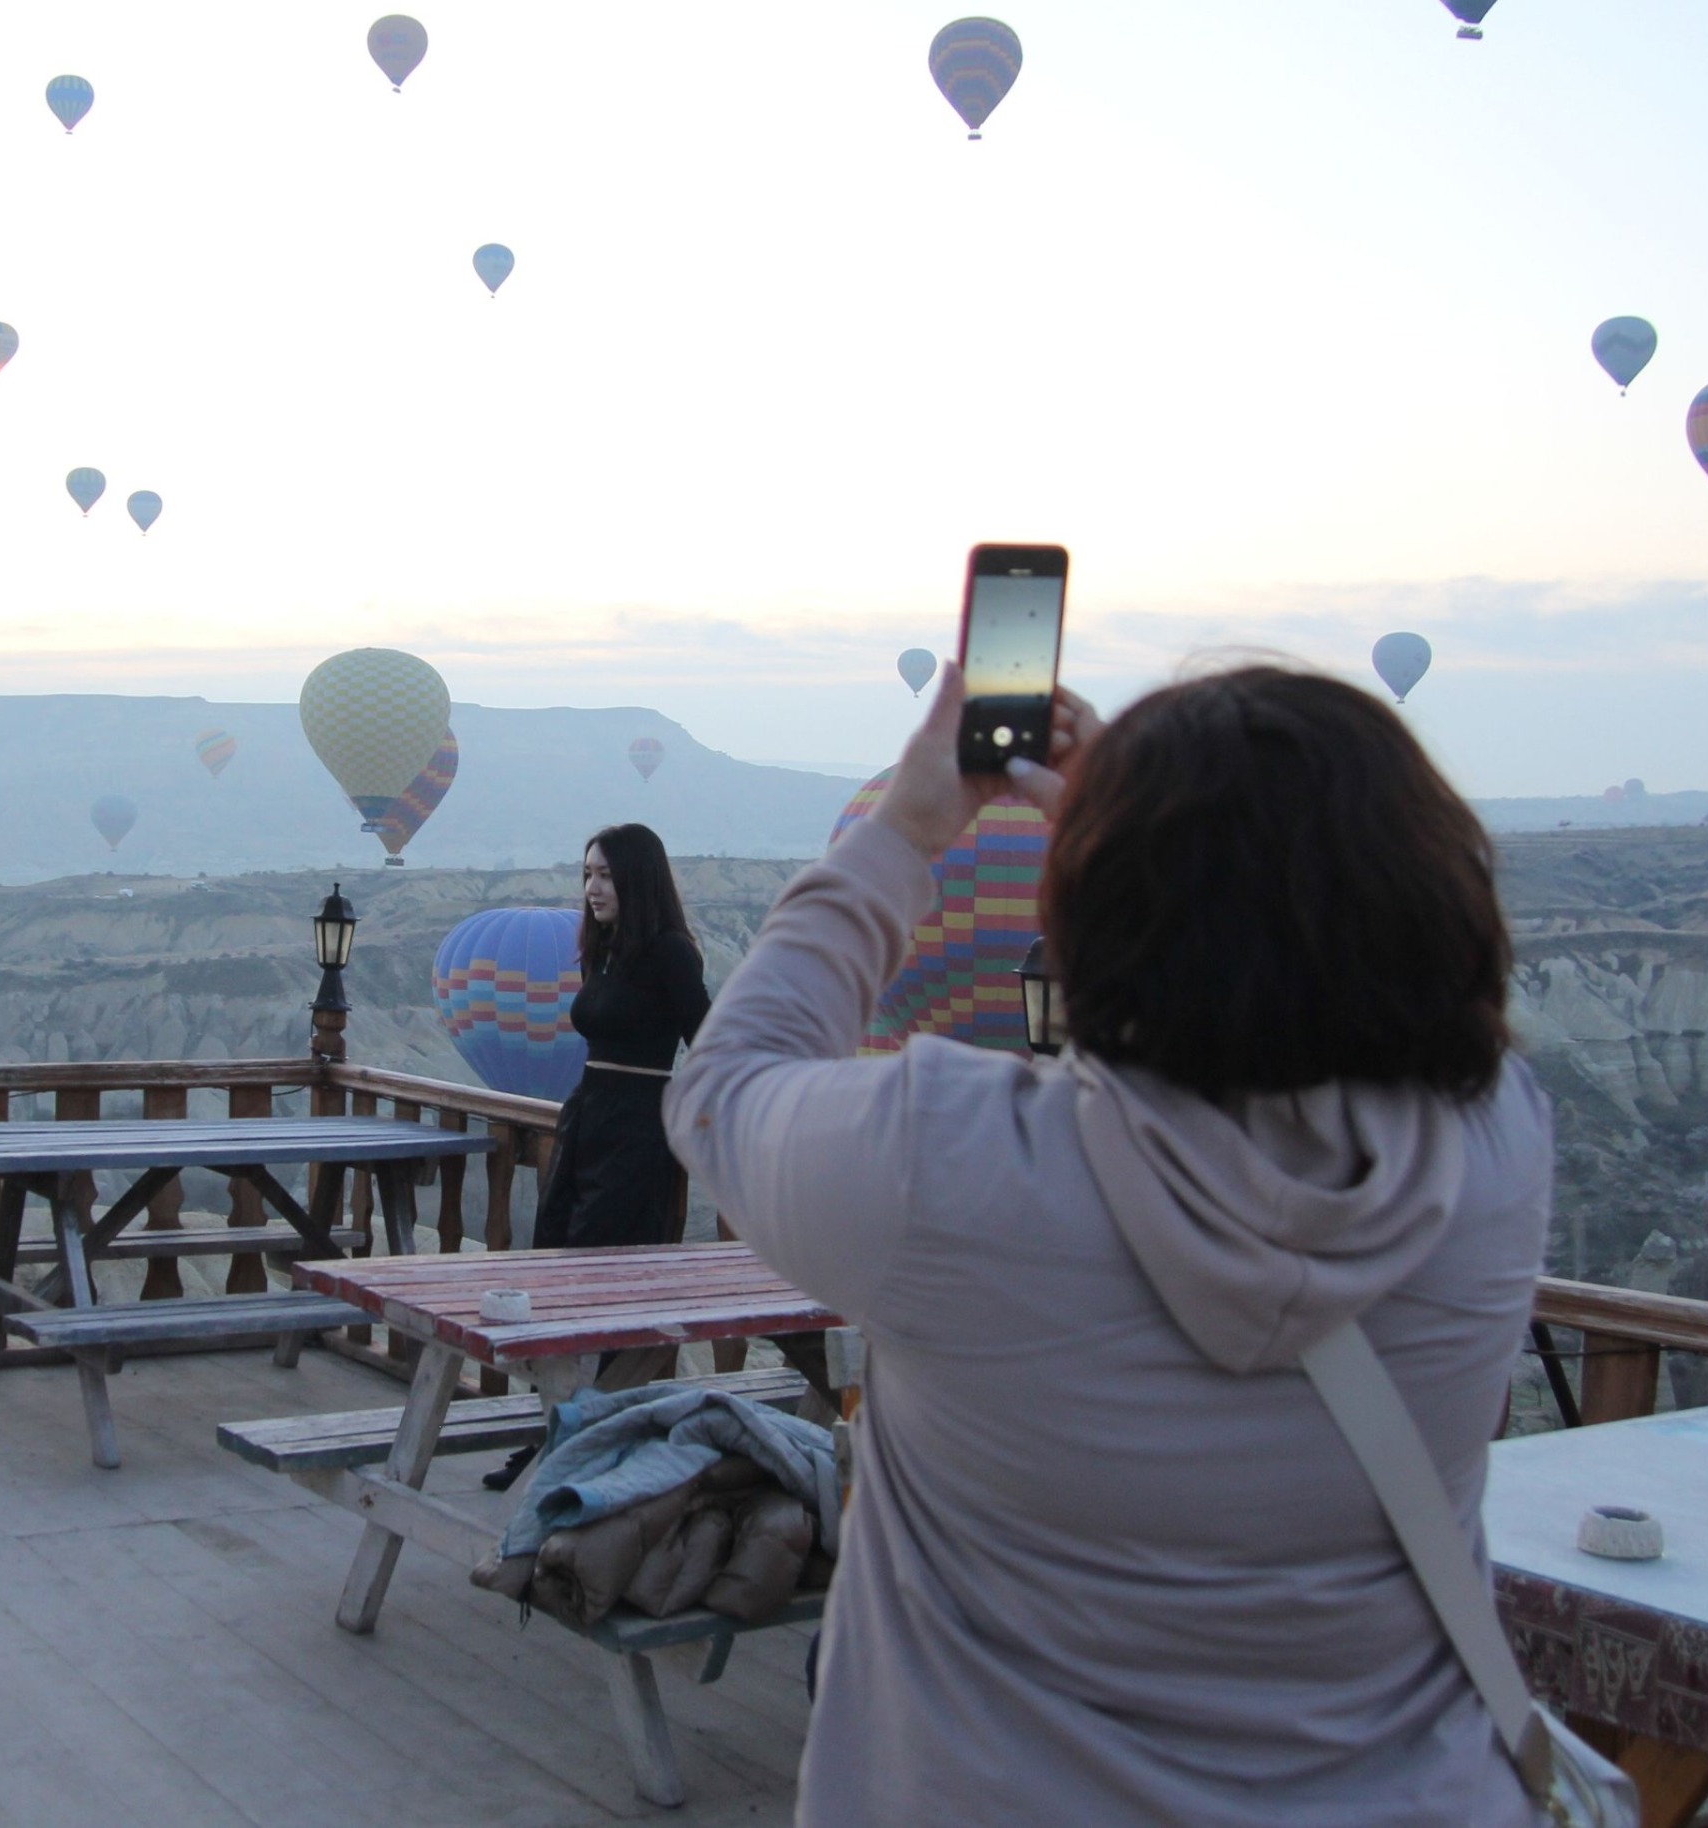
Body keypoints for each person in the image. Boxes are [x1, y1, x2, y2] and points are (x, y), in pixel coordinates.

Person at [666, 665, 1547, 1826]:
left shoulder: (951, 1162)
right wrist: (1168, 843)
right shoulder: (1495, 1148)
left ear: (1088, 911)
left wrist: (917, 824)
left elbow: (724, 1083)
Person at [483, 824, 712, 1491]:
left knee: (600, 1280)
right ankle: (553, 1429)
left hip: (638, 1129)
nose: (592, 888)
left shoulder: (671, 953)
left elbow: (710, 1039)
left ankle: (590, 1438)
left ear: (637, 878)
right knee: (554, 1266)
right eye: (586, 874)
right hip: (585, 1121)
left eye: (605, 875)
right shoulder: (603, 951)